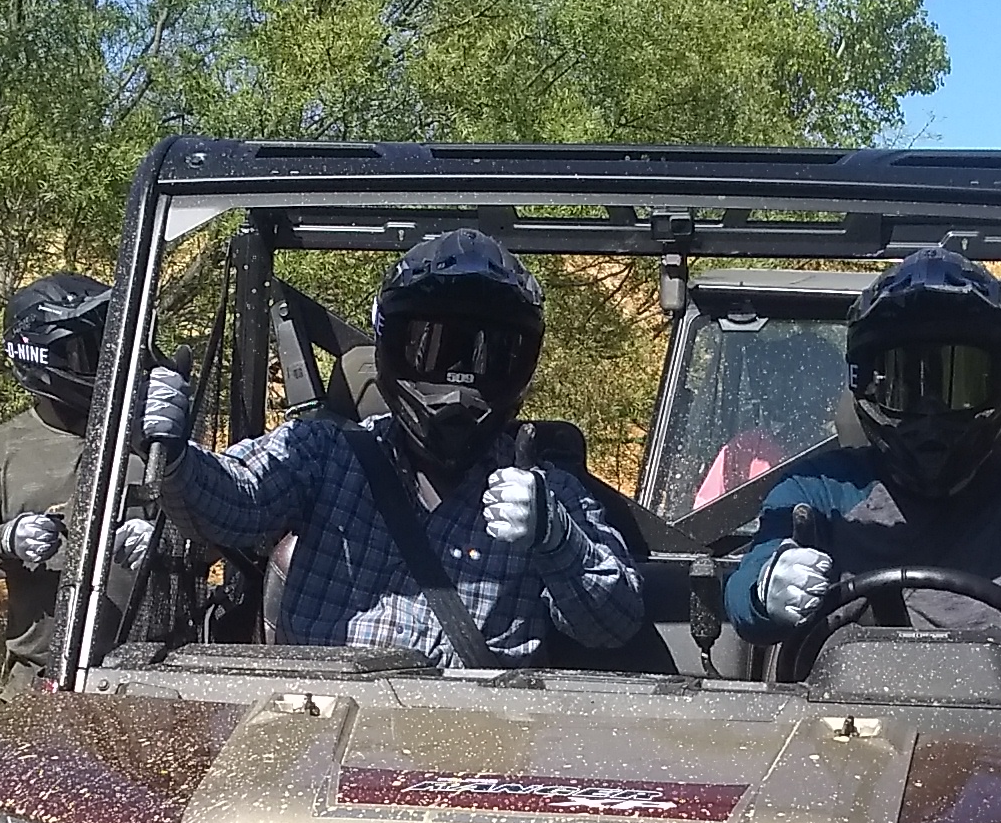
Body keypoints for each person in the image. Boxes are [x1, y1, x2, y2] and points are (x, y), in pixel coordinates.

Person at [142, 229, 643, 666]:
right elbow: (235, 499)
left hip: (466, 749)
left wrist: (556, 538)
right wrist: (173, 451)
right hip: (316, 721)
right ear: (389, 350)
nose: (455, 384)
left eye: (487, 356)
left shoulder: (545, 491)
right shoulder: (326, 453)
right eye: (432, 348)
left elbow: (615, 623)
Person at [725, 246, 1001, 669]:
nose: (931, 416)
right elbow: (749, 582)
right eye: (905, 385)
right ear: (868, 386)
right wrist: (765, 589)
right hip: (833, 724)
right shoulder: (818, 491)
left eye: (958, 383)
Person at [0, 273, 156, 671]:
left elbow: (221, 530)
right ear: (44, 356)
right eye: (87, 351)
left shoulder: (152, 436)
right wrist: (7, 541)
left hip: (150, 670)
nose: (104, 360)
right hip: (42, 675)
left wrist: (164, 543)